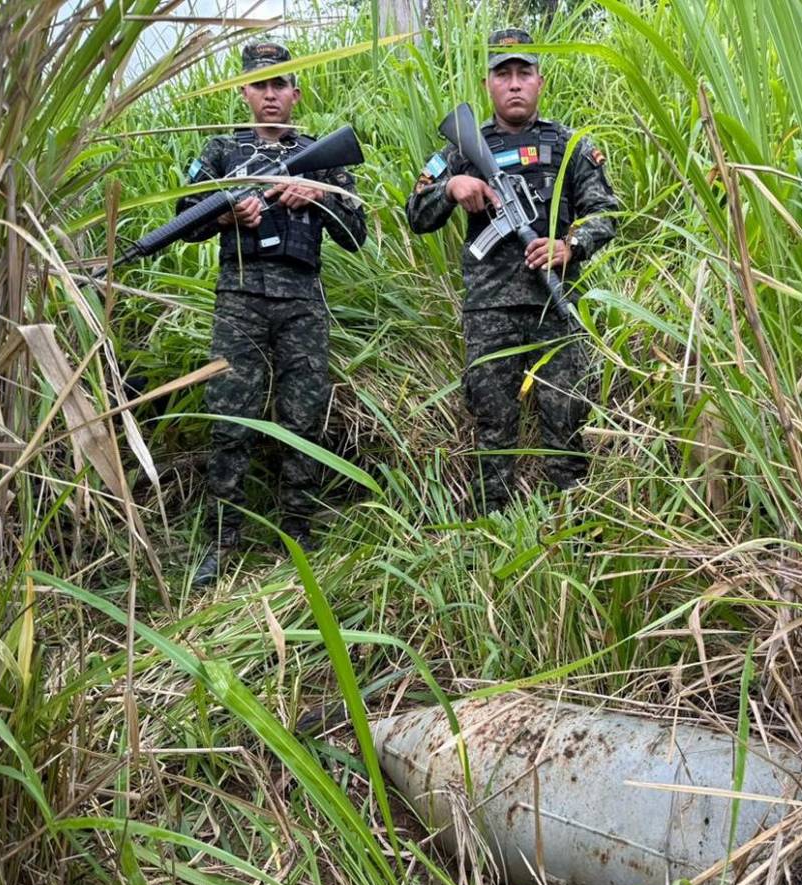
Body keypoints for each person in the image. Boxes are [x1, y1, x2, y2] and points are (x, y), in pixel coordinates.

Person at [406, 28, 619, 516]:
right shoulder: (464, 148)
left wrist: (571, 245)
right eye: (504, 74)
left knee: (566, 416)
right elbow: (416, 214)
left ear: (540, 82)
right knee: (492, 421)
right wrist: (452, 187)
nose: (515, 83)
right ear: (489, 85)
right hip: (489, 310)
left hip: (555, 304)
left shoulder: (570, 145)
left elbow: (605, 212)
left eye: (524, 73)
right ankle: (490, 527)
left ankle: (573, 520)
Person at [180, 40, 368, 587]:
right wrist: (222, 215)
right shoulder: (221, 152)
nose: (270, 95)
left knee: (303, 418)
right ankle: (221, 541)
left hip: (302, 304)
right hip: (238, 302)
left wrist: (319, 196)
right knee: (229, 418)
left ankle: (299, 532)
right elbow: (181, 221)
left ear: (296, 93)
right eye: (260, 85)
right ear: (244, 91)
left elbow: (356, 235)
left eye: (280, 85)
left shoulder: (320, 153)